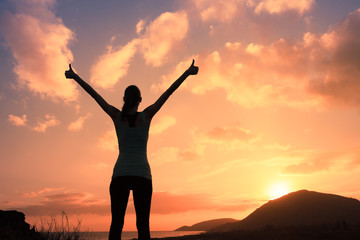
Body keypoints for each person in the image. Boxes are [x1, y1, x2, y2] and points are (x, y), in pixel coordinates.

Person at [65, 60, 199, 240]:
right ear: (140, 100)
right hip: (142, 176)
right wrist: (187, 72)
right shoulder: (147, 115)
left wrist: (75, 77)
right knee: (143, 226)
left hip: (120, 175)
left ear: (124, 99)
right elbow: (168, 93)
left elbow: (95, 95)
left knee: (116, 225)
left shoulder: (116, 116)